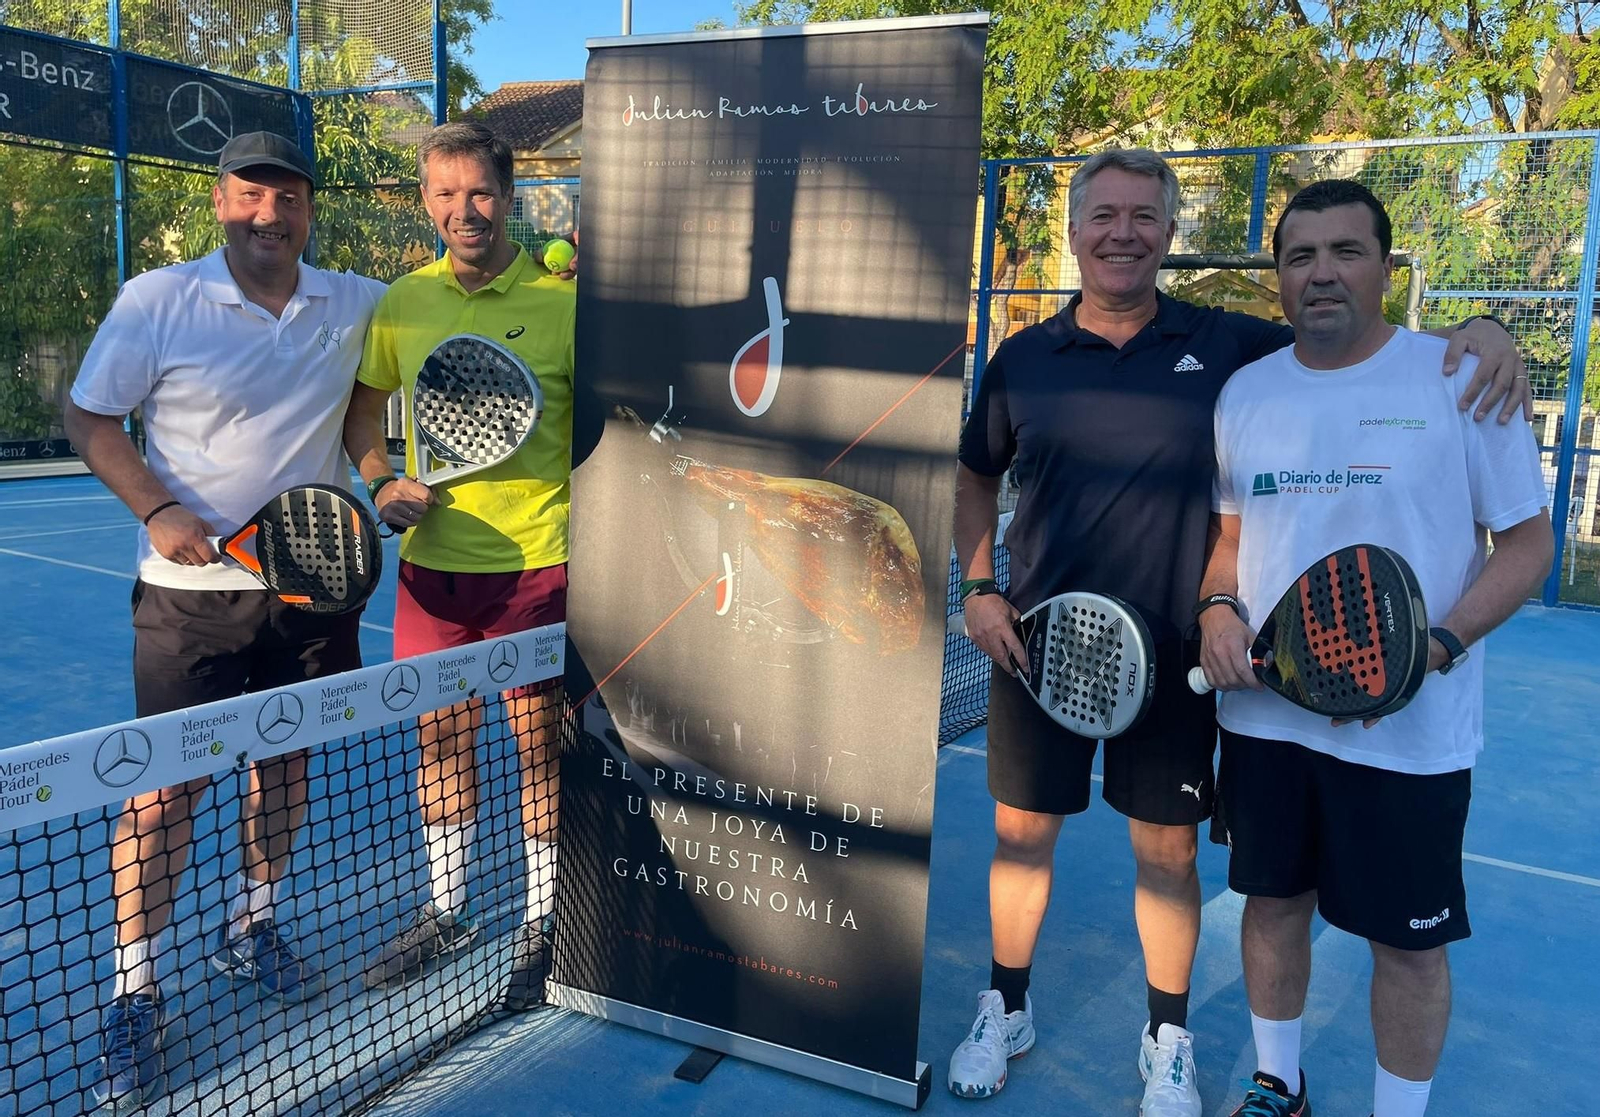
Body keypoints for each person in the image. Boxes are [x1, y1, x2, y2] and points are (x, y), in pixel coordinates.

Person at [949, 149, 1530, 1115]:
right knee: (1024, 838)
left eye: (1145, 215)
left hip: (1179, 655)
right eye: (1103, 214)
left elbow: (1351, 341)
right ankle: (1006, 1006)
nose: (1123, 232)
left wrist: (1488, 328)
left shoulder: (1234, 349)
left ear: (1170, 233)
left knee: (1174, 858)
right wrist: (977, 585)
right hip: (1043, 643)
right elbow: (978, 475)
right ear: (1076, 229)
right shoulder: (1026, 358)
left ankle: (1167, 1037)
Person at [1197, 179, 1550, 1117]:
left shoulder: (1462, 378)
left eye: (1345, 252)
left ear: (1386, 269)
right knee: (1271, 907)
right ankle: (1281, 1085)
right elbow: (1229, 538)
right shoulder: (1243, 393)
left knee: (1409, 944)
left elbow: (1528, 544)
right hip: (1267, 724)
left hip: (1410, 734)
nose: (1321, 273)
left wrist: (1434, 645)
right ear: (1277, 276)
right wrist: (1218, 610)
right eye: (1300, 256)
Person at [63, 131, 387, 1108]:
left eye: (288, 199)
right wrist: (158, 511)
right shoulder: (157, 300)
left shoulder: (362, 304)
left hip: (311, 592)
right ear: (219, 202)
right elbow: (90, 418)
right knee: (167, 792)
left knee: (284, 764)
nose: (269, 215)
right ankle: (136, 987)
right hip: (188, 603)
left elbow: (376, 396)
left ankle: (253, 924)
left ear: (308, 211)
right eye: (252, 196)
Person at [342, 121, 575, 1010]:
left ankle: (543, 916)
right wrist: (380, 481)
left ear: (508, 196)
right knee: (439, 739)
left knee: (536, 747)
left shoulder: (563, 302)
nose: (463, 210)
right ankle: (447, 908)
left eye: (479, 192)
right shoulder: (403, 301)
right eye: (444, 193)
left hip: (538, 568)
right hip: (431, 572)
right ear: (426, 200)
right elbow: (364, 417)